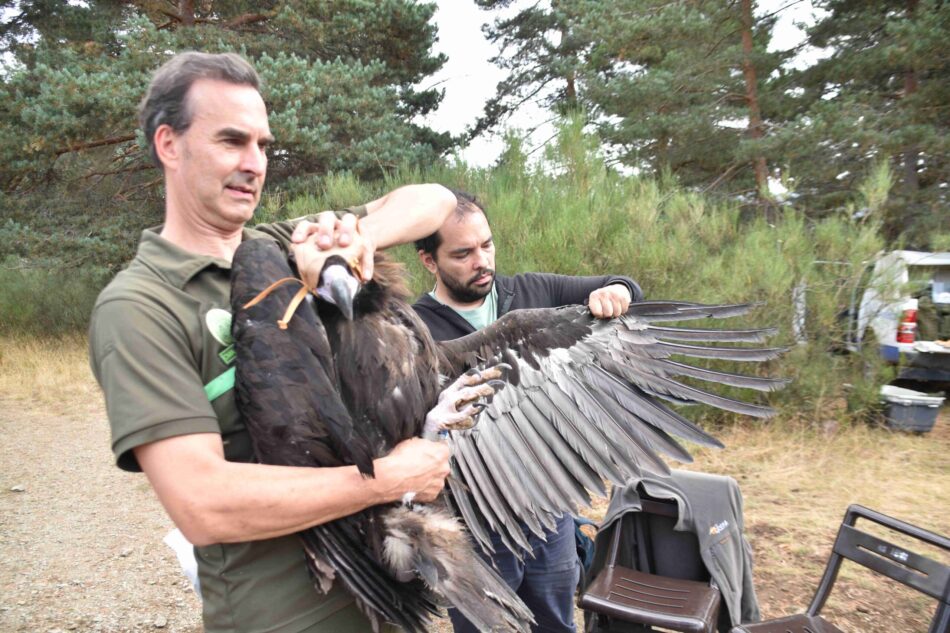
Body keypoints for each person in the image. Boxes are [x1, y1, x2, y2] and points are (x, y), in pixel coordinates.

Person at [88, 51, 460, 632]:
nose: (254, 164)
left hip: (385, 597)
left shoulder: (281, 248)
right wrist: (386, 481)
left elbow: (436, 200)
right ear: (169, 144)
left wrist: (357, 239)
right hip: (285, 616)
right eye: (232, 141)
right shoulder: (141, 306)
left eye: (263, 145)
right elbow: (203, 504)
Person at [411, 190, 644, 633]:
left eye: (487, 245)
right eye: (462, 253)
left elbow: (624, 284)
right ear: (429, 260)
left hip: (548, 508)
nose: (482, 260)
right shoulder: (414, 330)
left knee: (556, 623)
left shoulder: (533, 292)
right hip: (474, 524)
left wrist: (617, 291)